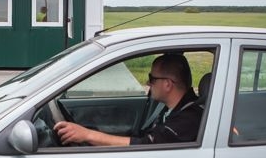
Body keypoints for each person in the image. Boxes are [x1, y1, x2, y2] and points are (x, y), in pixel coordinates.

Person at [54, 53, 203, 146]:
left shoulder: (188, 119)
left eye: (152, 78)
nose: (147, 83)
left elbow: (145, 145)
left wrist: (87, 135)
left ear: (167, 84)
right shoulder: (171, 109)